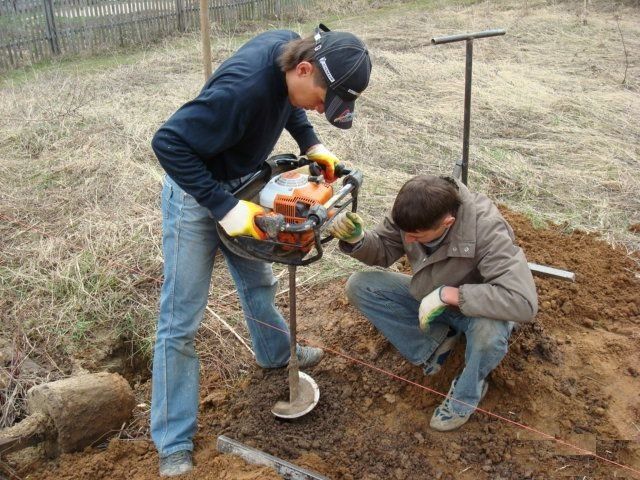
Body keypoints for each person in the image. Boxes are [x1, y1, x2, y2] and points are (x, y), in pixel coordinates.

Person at [150, 25, 372, 476]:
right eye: (320, 98)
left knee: (257, 279)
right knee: (180, 319)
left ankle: (274, 352)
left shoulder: (288, 50)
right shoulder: (242, 89)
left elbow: (290, 104)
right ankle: (173, 441)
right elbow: (167, 143)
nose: (317, 107)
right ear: (304, 68)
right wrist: (222, 206)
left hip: (243, 180)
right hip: (196, 196)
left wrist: (311, 141)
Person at [329, 175, 537, 431]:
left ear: (447, 223)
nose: (409, 240)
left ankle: (466, 395)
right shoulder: (413, 211)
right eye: (406, 234)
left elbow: (522, 302)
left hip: (479, 310)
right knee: (360, 285)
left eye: (418, 236)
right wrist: (358, 240)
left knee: (489, 333)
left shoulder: (487, 232)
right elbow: (383, 249)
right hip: (429, 295)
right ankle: (435, 345)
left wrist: (450, 295)